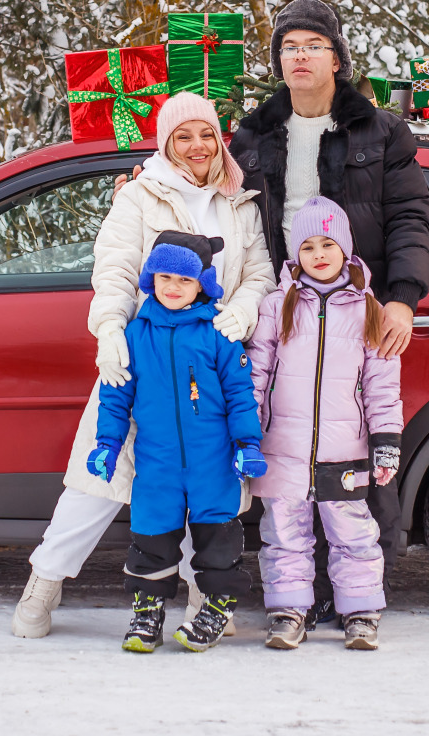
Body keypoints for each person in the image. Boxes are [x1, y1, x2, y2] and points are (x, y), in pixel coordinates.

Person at [11, 92, 275, 638]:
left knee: (199, 488)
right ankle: (44, 583)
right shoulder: (138, 196)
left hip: (208, 363)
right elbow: (114, 268)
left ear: (219, 138)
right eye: (183, 136)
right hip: (141, 358)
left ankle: (203, 599)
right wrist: (109, 331)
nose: (197, 146)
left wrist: (245, 308)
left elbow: (260, 273)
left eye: (206, 134)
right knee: (94, 483)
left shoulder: (241, 201)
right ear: (166, 143)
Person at [228, 0, 429, 623]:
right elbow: (208, 193)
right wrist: (143, 180)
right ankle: (292, 597)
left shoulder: (380, 131)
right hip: (279, 312)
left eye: (313, 44)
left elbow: (409, 219)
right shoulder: (254, 134)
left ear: (337, 59)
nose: (300, 55)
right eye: (289, 46)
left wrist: (400, 300)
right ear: (278, 60)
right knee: (286, 461)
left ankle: (358, 596)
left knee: (352, 457)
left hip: (354, 314)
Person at [89, 231, 267, 651]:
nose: (173, 286)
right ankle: (147, 613)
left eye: (184, 280)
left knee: (217, 541)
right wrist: (106, 446)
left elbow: (242, 395)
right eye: (164, 276)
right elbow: (115, 399)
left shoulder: (218, 336)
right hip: (157, 464)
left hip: (213, 462)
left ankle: (217, 606)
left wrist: (248, 445)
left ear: (202, 284)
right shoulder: (134, 335)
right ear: (151, 279)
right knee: (152, 537)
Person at [248, 197, 402, 650]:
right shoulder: (278, 305)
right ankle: (289, 610)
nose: (318, 254)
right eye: (308, 245)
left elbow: (381, 383)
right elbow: (257, 372)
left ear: (345, 250)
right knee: (283, 534)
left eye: (327, 244)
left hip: (345, 450)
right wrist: (248, 432)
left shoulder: (367, 309)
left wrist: (386, 440)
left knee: (353, 532)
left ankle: (360, 612)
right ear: (295, 254)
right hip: (283, 446)